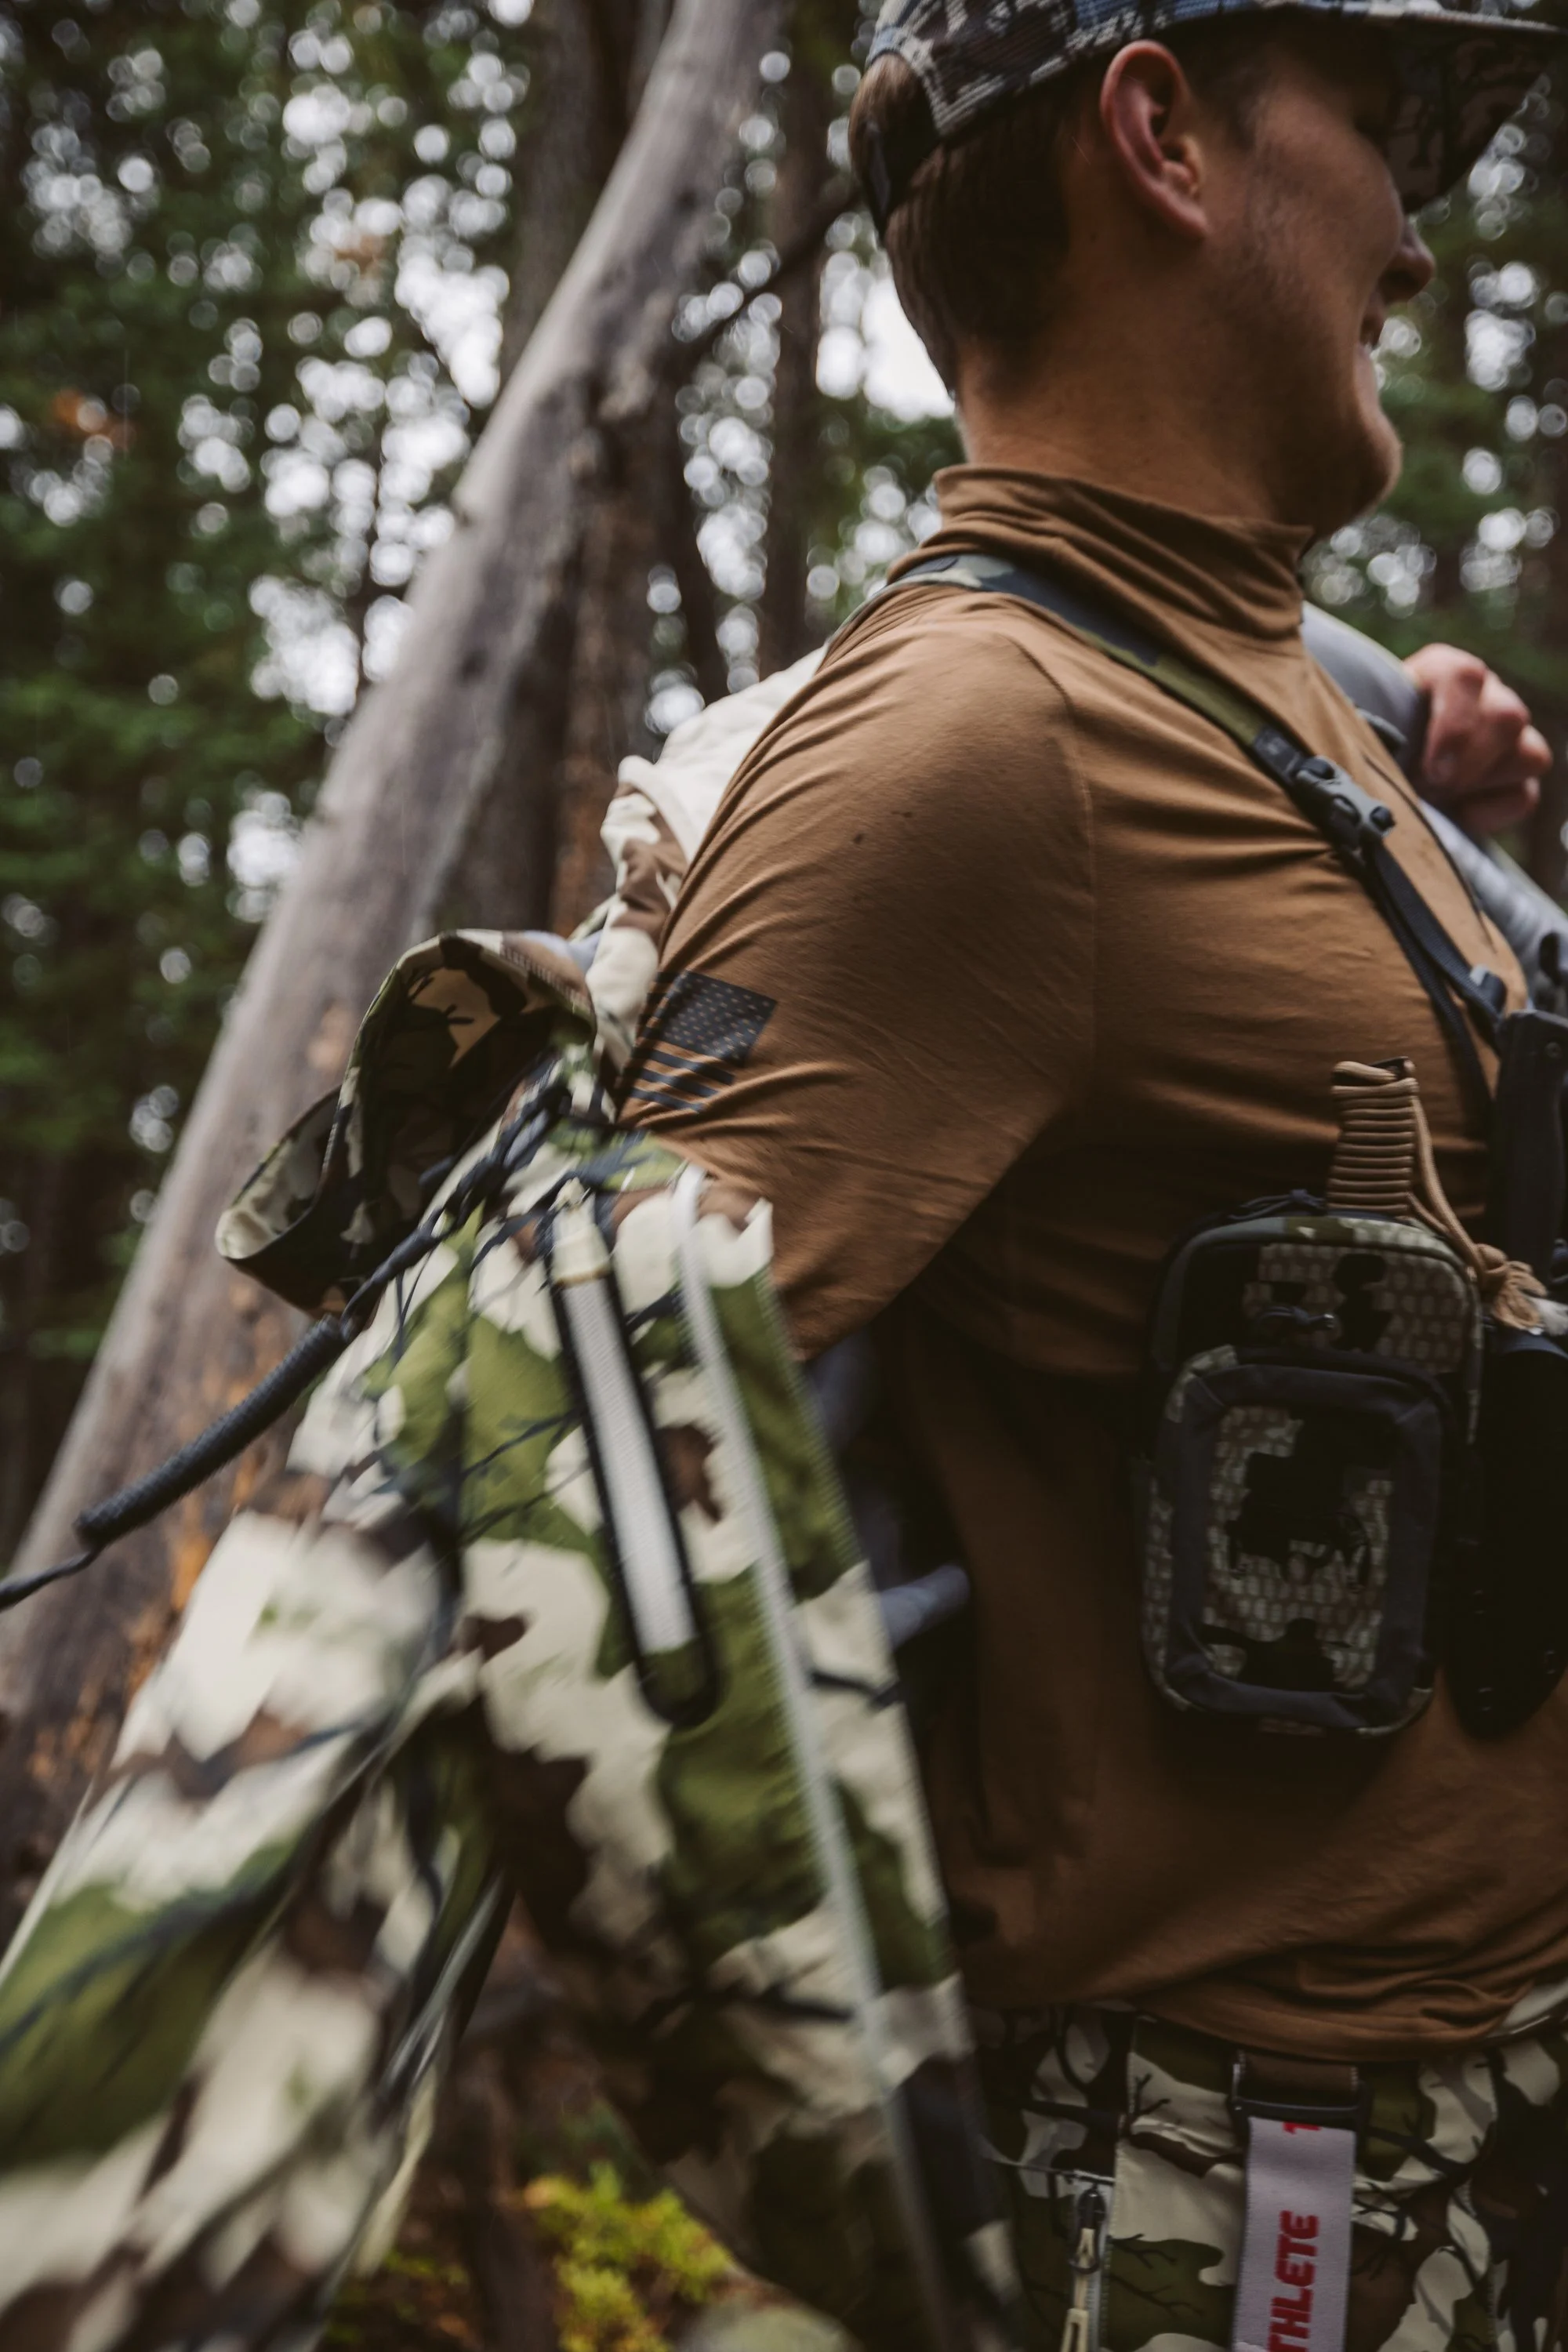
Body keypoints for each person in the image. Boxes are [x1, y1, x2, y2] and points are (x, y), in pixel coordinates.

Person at [618, 0, 1568, 2343]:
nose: (1416, 245)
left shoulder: (1267, 704)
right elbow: (556, 1493)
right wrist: (849, 2172)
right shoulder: (970, 751)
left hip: (1467, 2128)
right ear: (1161, 134)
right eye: (1381, 124)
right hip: (1256, 2200)